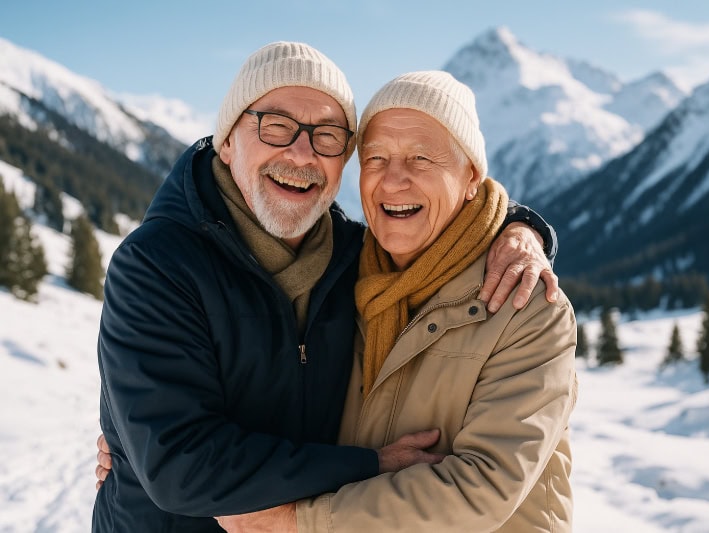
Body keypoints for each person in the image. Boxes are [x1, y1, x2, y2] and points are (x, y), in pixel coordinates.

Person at [92, 43, 560, 532]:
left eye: (328, 136)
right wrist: (371, 465)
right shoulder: (157, 264)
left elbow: (449, 222)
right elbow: (179, 467)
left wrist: (522, 230)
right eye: (276, 126)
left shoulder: (354, 260)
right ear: (227, 141)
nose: (301, 153)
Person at [214, 71, 578, 533]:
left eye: (421, 158)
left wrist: (299, 522)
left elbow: (483, 486)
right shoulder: (339, 279)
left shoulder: (526, 303)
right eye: (376, 158)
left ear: (471, 176)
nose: (393, 180)